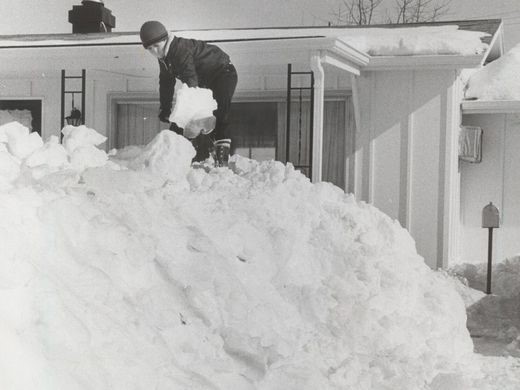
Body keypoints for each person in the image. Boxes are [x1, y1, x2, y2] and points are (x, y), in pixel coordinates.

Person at [139, 20, 238, 166]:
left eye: (156, 46)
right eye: (149, 48)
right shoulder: (164, 58)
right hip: (204, 80)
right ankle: (174, 155)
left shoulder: (179, 49)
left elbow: (190, 79)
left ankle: (221, 160)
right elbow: (166, 83)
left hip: (223, 73)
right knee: (183, 117)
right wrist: (165, 108)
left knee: (219, 111)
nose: (154, 51)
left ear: (165, 40)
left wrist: (188, 114)